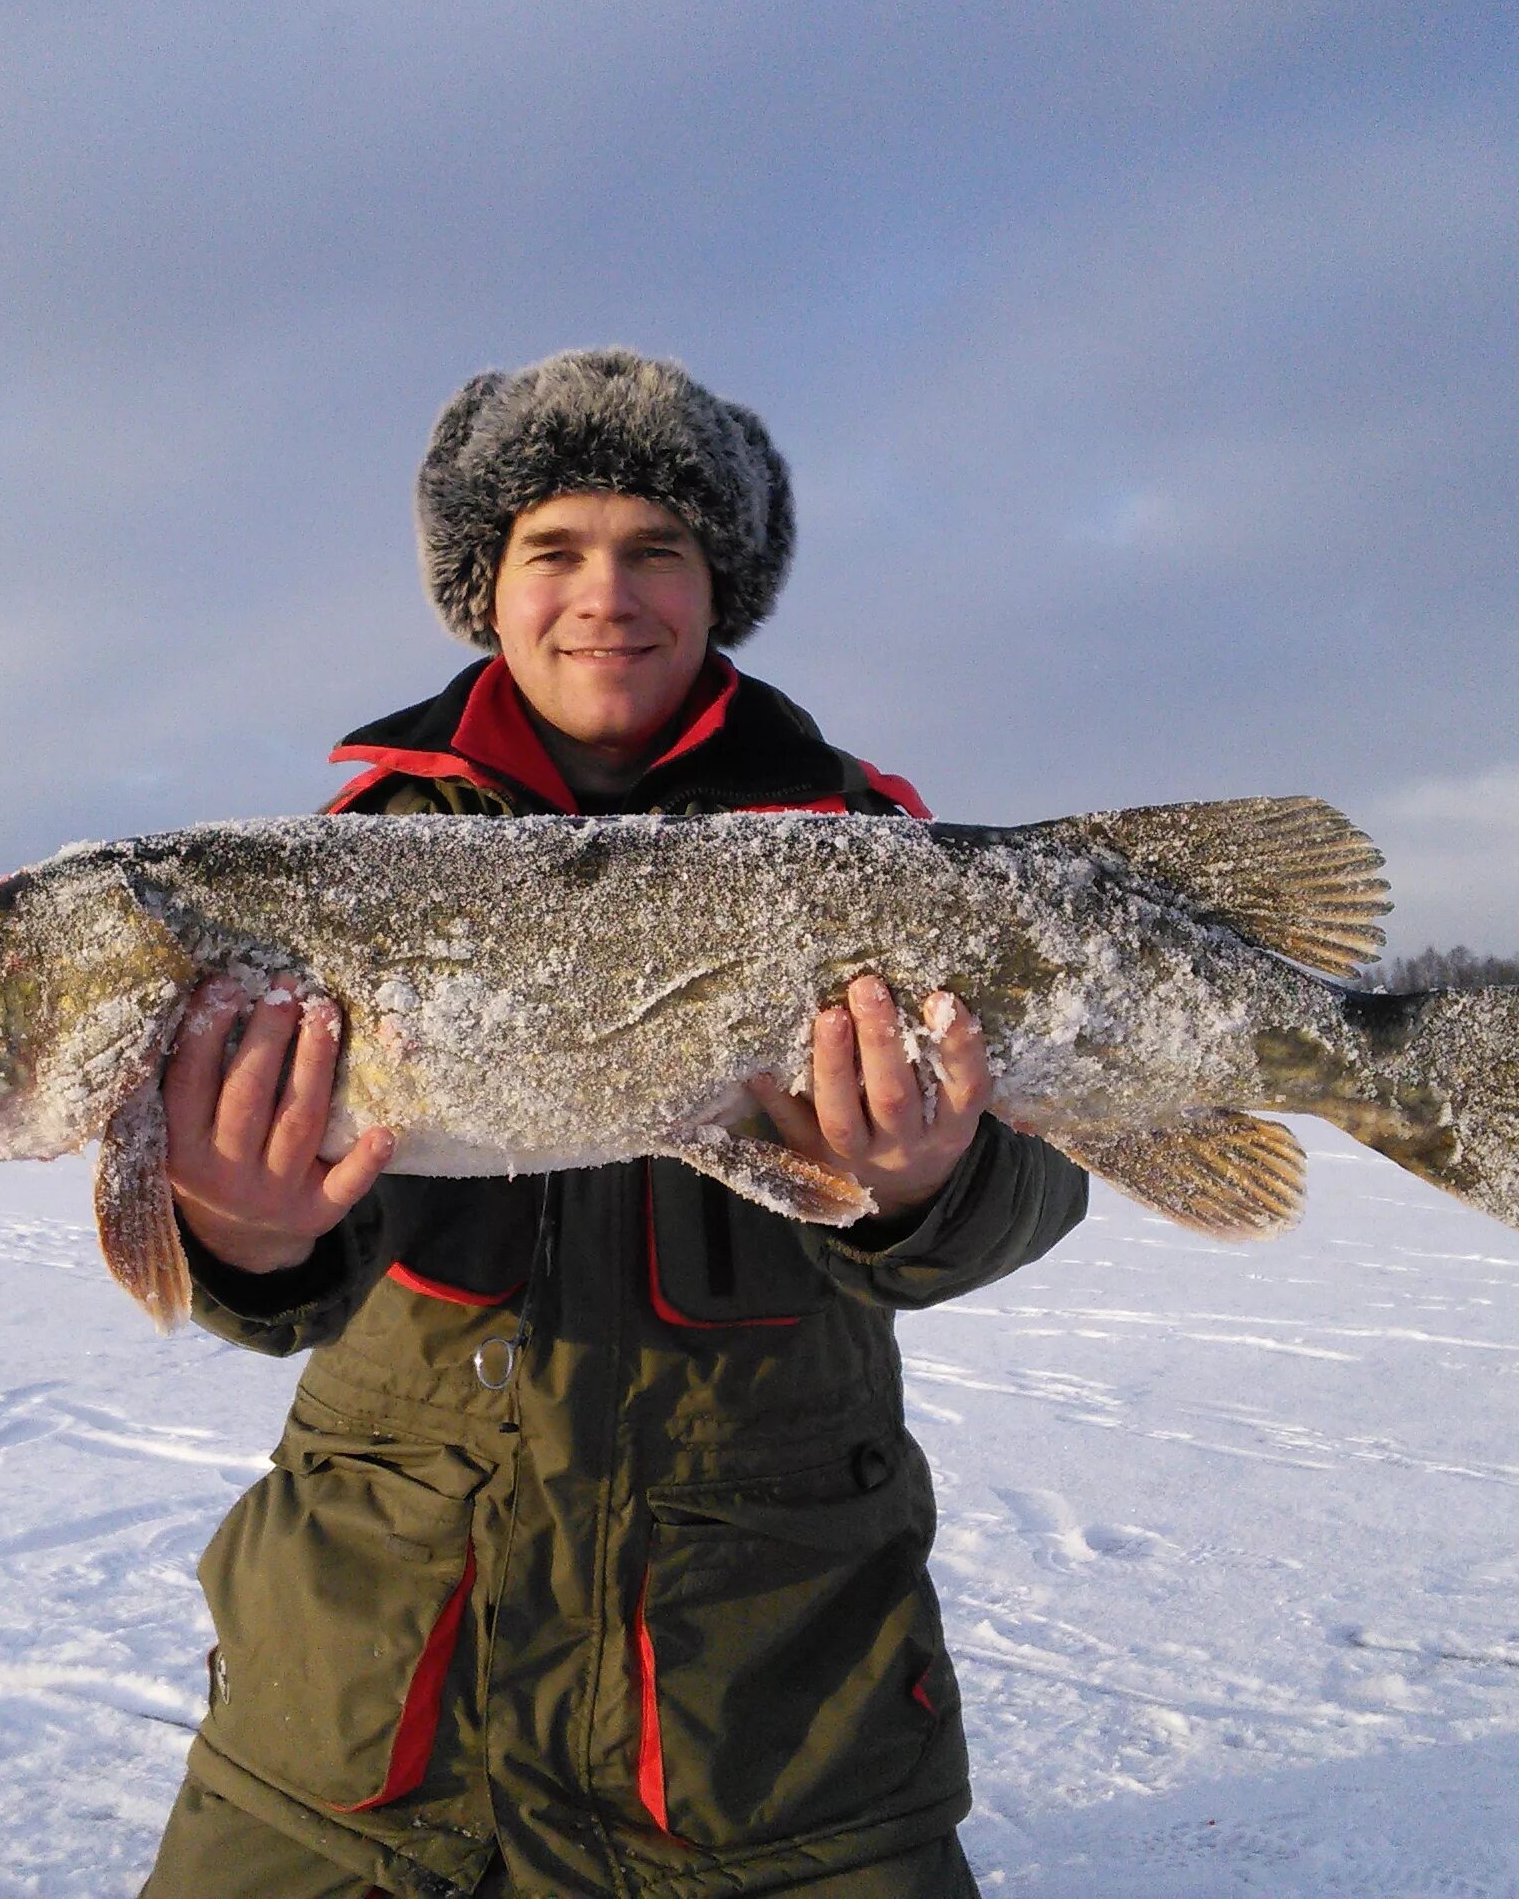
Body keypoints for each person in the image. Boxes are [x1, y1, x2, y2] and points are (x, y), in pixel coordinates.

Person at [138, 350, 1088, 1899]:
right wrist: (243, 1235)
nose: (607, 596)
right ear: (485, 590)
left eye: (658, 549)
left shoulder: (866, 846)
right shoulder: (343, 868)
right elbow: (295, 1282)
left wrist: (933, 1183)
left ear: (721, 588)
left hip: (770, 1715)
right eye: (553, 551)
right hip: (366, 1700)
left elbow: (1052, 1161)